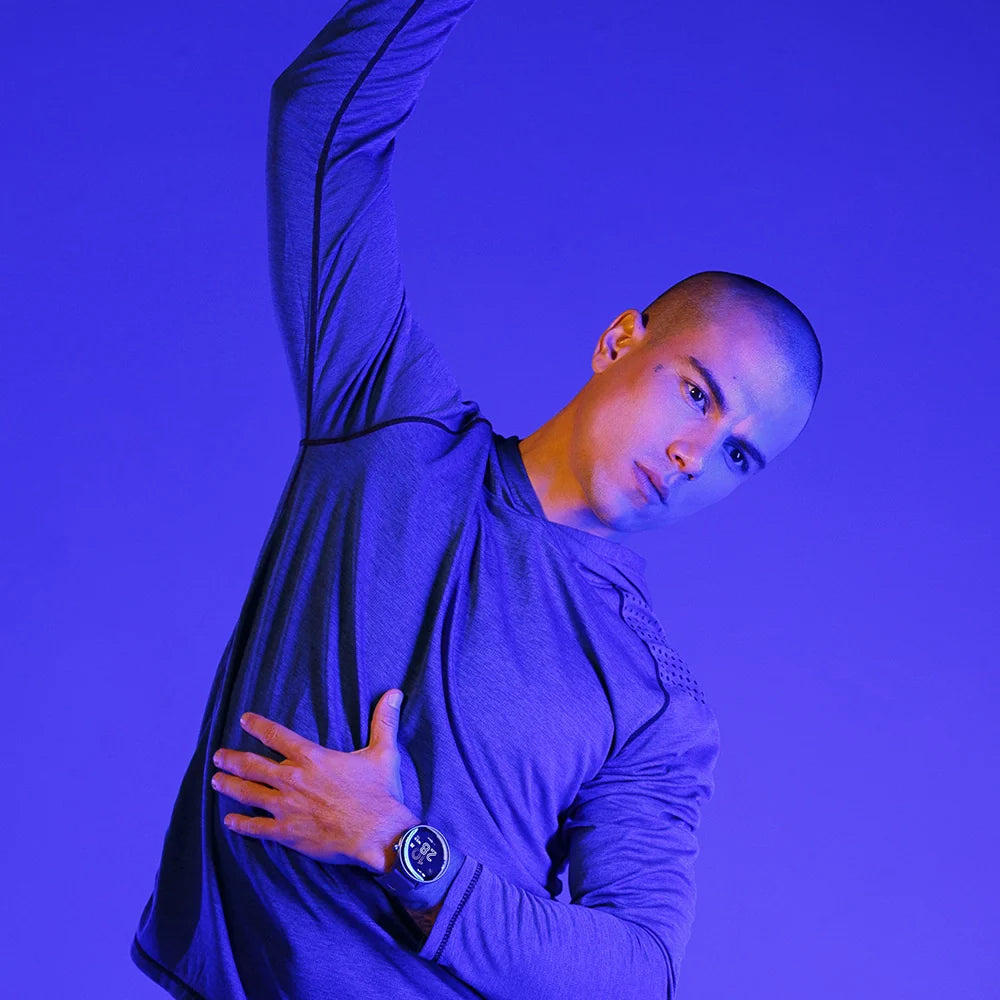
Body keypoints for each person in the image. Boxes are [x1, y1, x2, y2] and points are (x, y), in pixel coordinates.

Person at [130, 0, 821, 997]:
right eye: (696, 393)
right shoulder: (386, 423)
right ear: (619, 342)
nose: (693, 455)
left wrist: (399, 846)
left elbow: (637, 974)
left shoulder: (653, 701)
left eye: (739, 456)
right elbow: (321, 122)